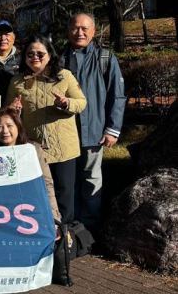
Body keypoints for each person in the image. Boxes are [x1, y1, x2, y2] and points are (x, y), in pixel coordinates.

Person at [5, 34, 86, 224]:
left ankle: (65, 233)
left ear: (50, 55)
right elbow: (7, 111)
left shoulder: (64, 76)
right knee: (38, 193)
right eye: (30, 54)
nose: (35, 57)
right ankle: (42, 230)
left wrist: (66, 103)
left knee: (64, 193)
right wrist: (13, 110)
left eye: (40, 54)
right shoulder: (17, 81)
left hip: (63, 147)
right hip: (33, 148)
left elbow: (81, 102)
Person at [60, 13, 126, 231]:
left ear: (94, 32)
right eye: (75, 28)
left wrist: (112, 129)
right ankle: (69, 227)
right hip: (64, 133)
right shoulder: (57, 59)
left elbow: (117, 95)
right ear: (68, 30)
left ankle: (89, 228)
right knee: (68, 181)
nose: (80, 33)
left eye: (85, 28)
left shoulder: (104, 58)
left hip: (94, 130)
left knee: (91, 179)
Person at [0, 108, 62, 223]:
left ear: (18, 126)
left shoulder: (33, 150)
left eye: (9, 126)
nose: (5, 131)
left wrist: (54, 218)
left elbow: (46, 184)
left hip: (29, 211)